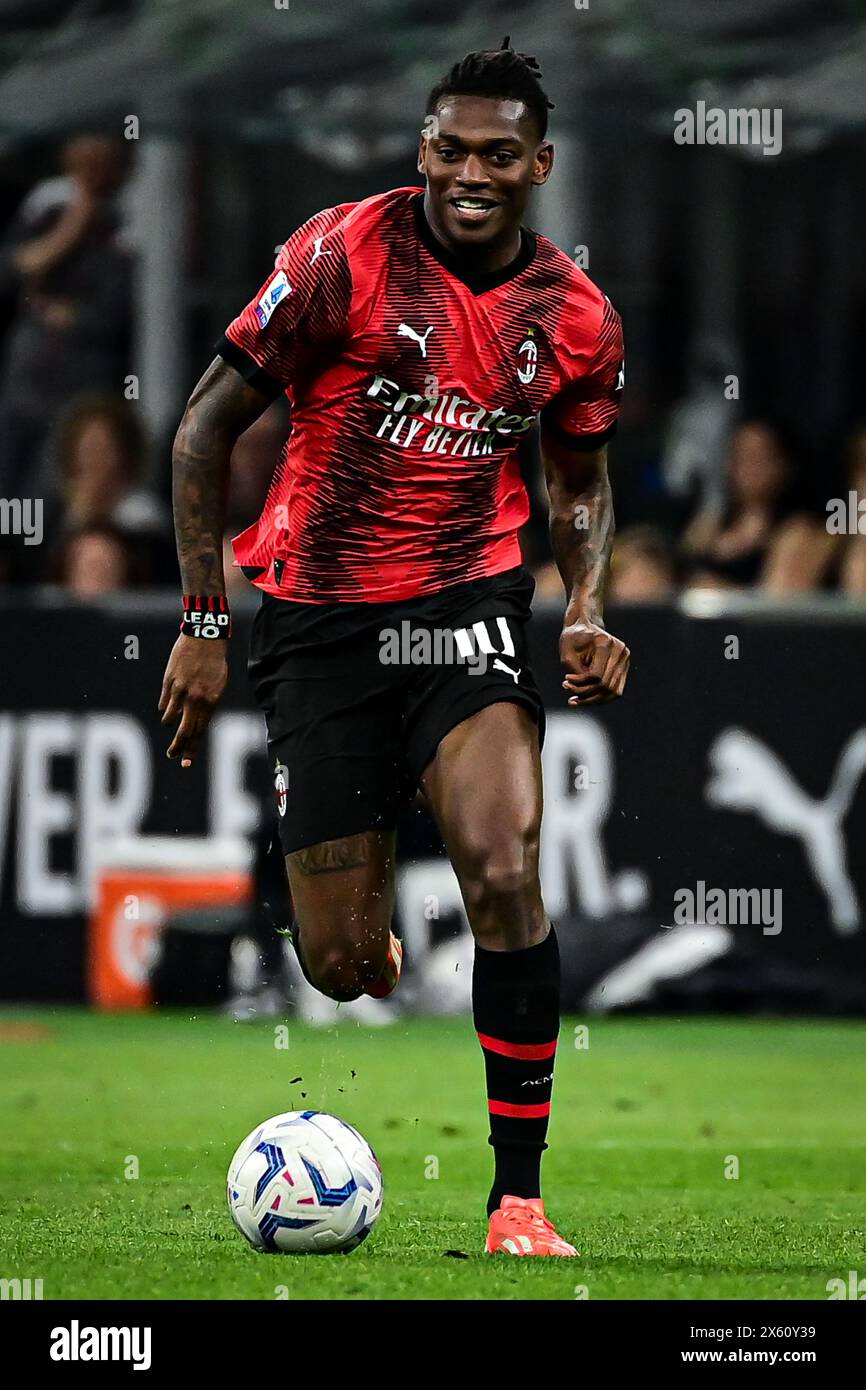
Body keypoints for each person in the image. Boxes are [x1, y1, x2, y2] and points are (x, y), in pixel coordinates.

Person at [159, 38, 628, 1258]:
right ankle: (359, 937)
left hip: (468, 602)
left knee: (506, 865)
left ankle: (516, 1198)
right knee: (337, 964)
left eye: (496, 154)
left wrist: (582, 602)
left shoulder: (573, 315)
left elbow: (577, 480)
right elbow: (203, 432)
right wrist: (206, 623)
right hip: (317, 622)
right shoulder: (341, 254)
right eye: (449, 148)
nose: (469, 172)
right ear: (423, 147)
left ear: (537, 165)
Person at [0, 136, 133, 499]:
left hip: (78, 396)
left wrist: (65, 314)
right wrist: (75, 219)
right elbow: (17, 267)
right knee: (7, 488)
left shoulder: (122, 228)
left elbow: (114, 318)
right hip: (24, 381)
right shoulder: (48, 209)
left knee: (52, 492)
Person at [681, 420, 789, 589]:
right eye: (740, 456)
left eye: (757, 457)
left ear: (780, 466)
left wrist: (720, 592)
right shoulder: (707, 526)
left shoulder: (791, 532)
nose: (748, 468)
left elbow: (780, 601)